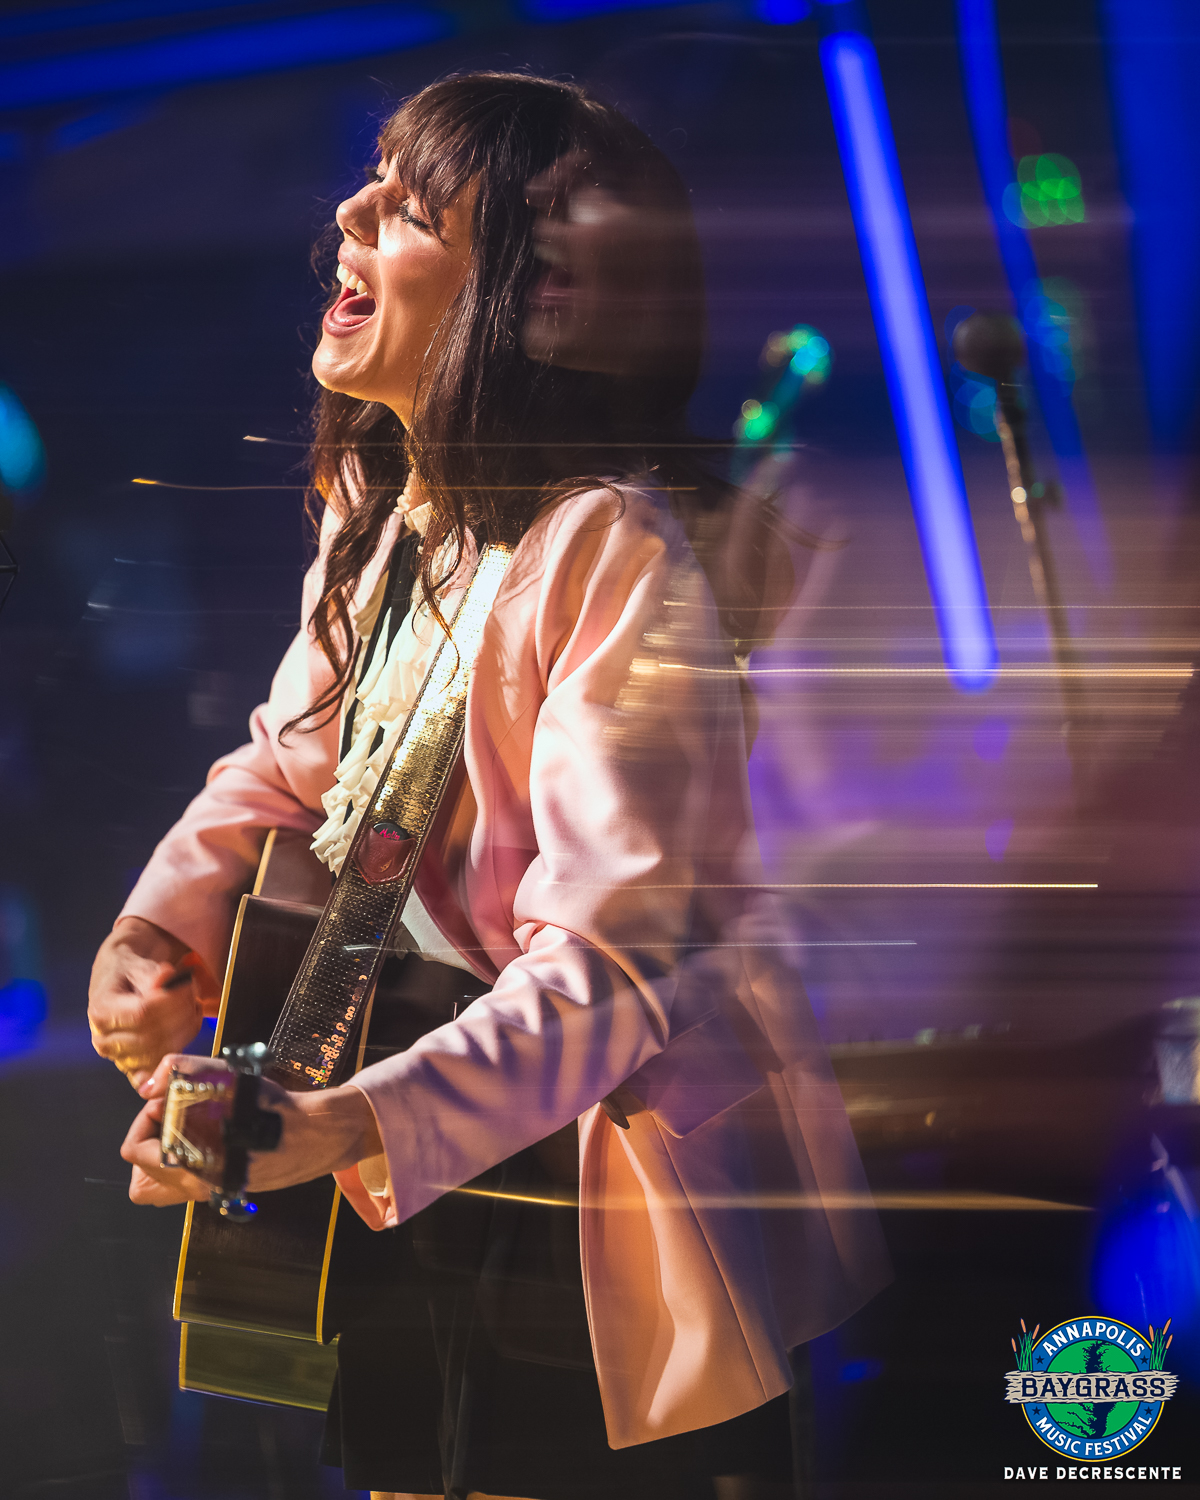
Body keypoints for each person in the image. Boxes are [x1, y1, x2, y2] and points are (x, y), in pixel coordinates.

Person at [89, 73, 889, 1500]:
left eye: (408, 203)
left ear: (546, 302)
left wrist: (354, 1119)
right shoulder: (382, 516)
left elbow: (611, 962)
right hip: (410, 1114)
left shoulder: (611, 552)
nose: (348, 211)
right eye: (372, 184)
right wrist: (168, 919)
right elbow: (295, 760)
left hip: (570, 1159)